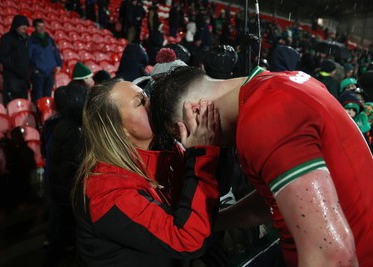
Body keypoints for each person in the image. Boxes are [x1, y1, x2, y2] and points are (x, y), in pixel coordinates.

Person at [151, 65, 373, 267]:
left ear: (196, 113)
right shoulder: (279, 83)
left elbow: (332, 257)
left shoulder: (265, 119)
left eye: (182, 135)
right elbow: (284, 198)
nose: (188, 143)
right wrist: (215, 221)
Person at [73, 78, 222, 266]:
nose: (152, 103)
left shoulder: (164, 149)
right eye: (140, 102)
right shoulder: (105, 191)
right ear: (120, 130)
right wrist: (202, 154)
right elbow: (187, 239)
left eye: (147, 96)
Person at [43, 83, 87, 267]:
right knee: (64, 234)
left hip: (61, 190)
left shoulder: (64, 125)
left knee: (61, 230)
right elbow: (75, 165)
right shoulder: (73, 131)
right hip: (68, 192)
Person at [0, 15, 31, 105]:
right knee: (11, 106)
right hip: (12, 79)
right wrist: (15, 68)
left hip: (24, 80)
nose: (25, 27)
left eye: (26, 25)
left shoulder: (26, 39)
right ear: (16, 25)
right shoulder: (7, 38)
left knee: (23, 105)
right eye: (22, 24)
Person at [28, 18, 63, 104]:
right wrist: (34, 69)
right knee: (38, 98)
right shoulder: (31, 41)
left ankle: (47, 115)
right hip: (38, 74)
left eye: (43, 26)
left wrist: (59, 64)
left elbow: (56, 52)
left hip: (50, 73)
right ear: (35, 28)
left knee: (48, 98)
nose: (42, 28)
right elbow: (29, 57)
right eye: (39, 27)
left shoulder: (49, 39)